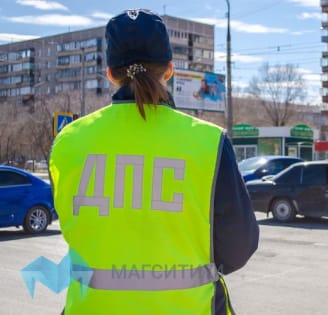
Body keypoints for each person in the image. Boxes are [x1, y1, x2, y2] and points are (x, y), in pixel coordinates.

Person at [49, 9, 259, 315]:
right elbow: (239, 246)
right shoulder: (209, 141)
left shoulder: (68, 141)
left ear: (109, 73)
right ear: (170, 70)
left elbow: (73, 228)